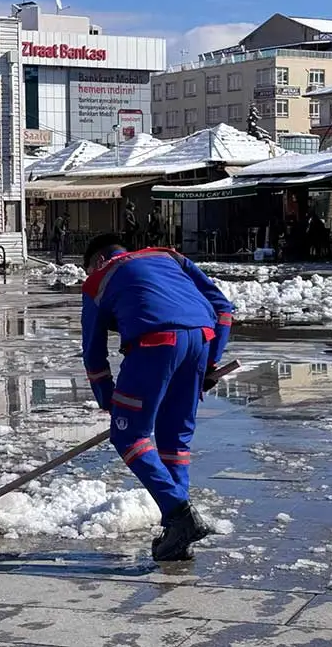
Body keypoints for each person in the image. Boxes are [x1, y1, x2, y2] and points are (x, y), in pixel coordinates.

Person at [80, 234, 233, 562]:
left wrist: (110, 401)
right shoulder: (169, 257)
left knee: (129, 436)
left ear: (96, 261)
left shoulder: (98, 279)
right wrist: (210, 362)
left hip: (155, 343)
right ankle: (177, 535)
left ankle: (179, 515)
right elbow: (222, 308)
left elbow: (93, 355)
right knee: (174, 442)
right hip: (200, 338)